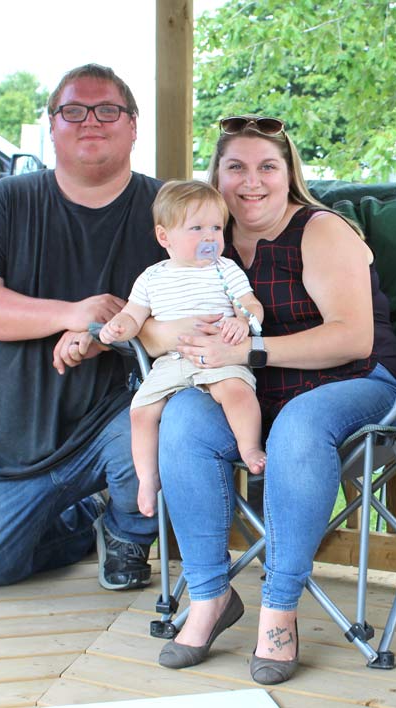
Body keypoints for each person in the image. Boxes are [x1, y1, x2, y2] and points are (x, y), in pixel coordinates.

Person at [139, 115, 396, 683]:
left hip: (359, 384)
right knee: (185, 417)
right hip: (250, 394)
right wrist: (169, 334)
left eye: (268, 166)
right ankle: (211, 596)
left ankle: (279, 609)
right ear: (216, 176)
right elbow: (149, 322)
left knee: (299, 423)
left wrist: (248, 350)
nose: (252, 181)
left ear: (289, 174)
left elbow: (353, 339)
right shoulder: (201, 240)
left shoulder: (320, 230)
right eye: (235, 167)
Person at [0, 64, 164, 592]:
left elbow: (202, 303)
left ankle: (128, 530)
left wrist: (106, 333)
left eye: (108, 110)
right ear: (51, 125)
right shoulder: (6, 201)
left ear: (133, 125)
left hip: (117, 424)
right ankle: (89, 518)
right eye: (73, 111)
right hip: (12, 447)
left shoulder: (168, 208)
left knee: (173, 418)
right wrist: (71, 313)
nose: (91, 121)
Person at [100, 179, 266, 517]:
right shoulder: (152, 277)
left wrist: (243, 321)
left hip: (218, 354)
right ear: (165, 237)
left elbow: (250, 304)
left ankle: (250, 449)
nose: (210, 237)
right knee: (141, 412)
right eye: (197, 228)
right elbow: (134, 315)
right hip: (171, 361)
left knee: (237, 391)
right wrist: (119, 326)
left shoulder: (225, 269)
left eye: (216, 228)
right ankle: (147, 479)